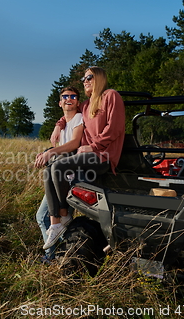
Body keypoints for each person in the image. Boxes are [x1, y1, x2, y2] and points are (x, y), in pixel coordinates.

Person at [42, 66, 125, 250]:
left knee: (58, 168)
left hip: (103, 156)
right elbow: (69, 110)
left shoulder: (111, 96)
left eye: (89, 77)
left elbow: (115, 129)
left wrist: (93, 146)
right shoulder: (86, 105)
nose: (85, 81)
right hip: (87, 155)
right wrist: (59, 124)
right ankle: (57, 221)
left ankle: (63, 215)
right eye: (84, 79)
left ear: (100, 78)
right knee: (49, 169)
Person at [34, 86, 83, 259]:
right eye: (65, 96)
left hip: (67, 178)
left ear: (78, 101)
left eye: (73, 96)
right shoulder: (64, 124)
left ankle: (55, 257)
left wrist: (51, 152)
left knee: (45, 217)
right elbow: (60, 150)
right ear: (60, 102)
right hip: (58, 176)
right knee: (52, 218)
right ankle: (59, 254)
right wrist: (48, 152)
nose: (69, 99)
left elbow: (75, 143)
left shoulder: (78, 118)